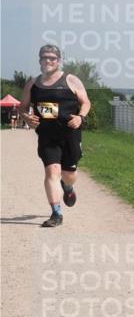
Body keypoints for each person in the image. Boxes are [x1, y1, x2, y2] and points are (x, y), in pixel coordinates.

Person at [20, 45, 91, 227]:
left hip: (70, 134)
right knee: (52, 171)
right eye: (45, 58)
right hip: (47, 135)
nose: (48, 61)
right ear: (40, 61)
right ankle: (56, 214)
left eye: (52, 58)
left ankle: (67, 187)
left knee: (69, 174)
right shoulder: (33, 84)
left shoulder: (71, 80)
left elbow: (85, 102)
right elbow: (23, 107)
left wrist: (80, 117)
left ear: (58, 61)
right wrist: (27, 117)